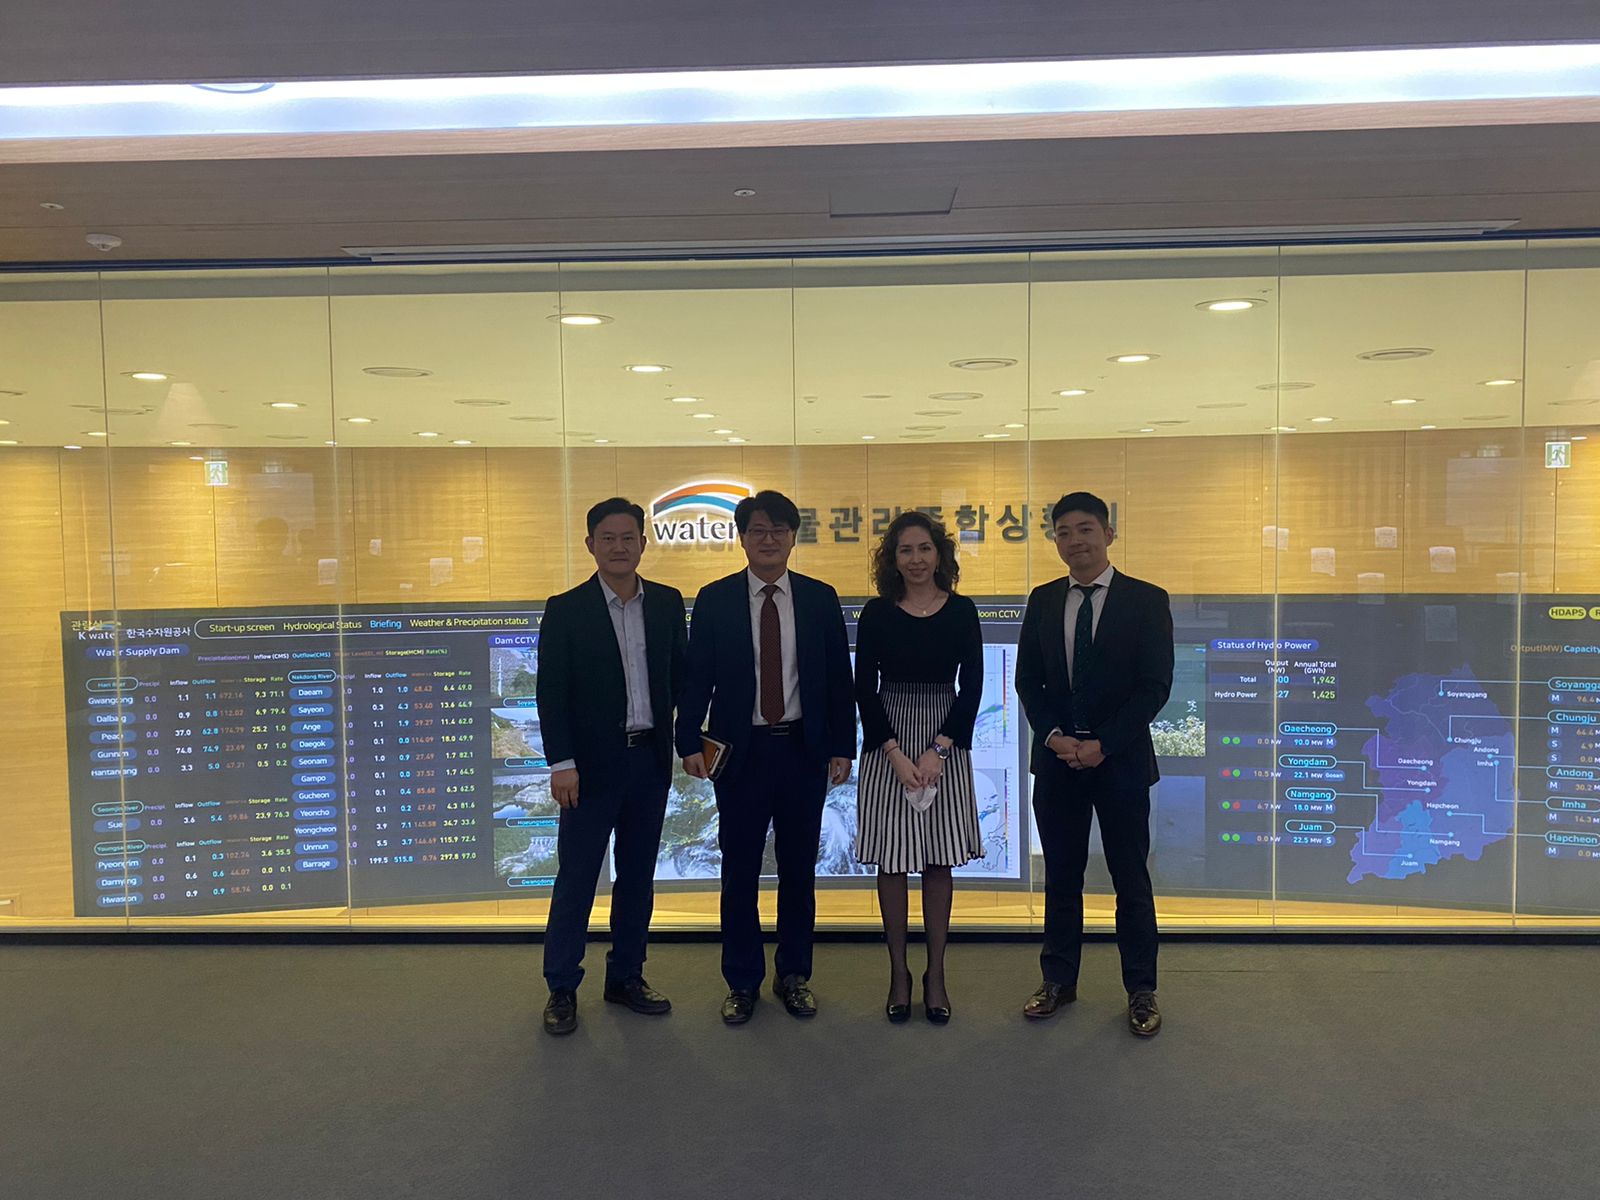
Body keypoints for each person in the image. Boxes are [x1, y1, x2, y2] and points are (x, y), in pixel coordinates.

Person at [676, 489, 856, 1025]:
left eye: (779, 530)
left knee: (799, 871)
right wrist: (687, 741)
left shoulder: (819, 598)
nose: (769, 539)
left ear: (793, 537)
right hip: (742, 756)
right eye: (758, 530)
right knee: (740, 871)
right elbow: (697, 678)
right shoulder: (715, 599)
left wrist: (842, 746)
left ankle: (794, 975)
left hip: (802, 751)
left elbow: (838, 679)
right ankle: (742, 981)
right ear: (742, 538)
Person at [1015, 491, 1174, 1037]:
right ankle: (1058, 980)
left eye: (1085, 529)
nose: (1074, 540)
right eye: (1063, 532)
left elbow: (1155, 686)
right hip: (1057, 761)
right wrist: (1055, 738)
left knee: (1131, 879)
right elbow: (1028, 681)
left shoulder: (1146, 600)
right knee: (1062, 876)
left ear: (1108, 534)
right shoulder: (1042, 600)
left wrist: (1103, 743)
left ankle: (1141, 990)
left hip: (1120, 761)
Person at [536, 497, 687, 1036]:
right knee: (577, 878)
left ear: (643, 544)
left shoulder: (666, 603)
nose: (619, 547)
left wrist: (690, 741)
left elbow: (681, 678)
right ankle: (561, 986)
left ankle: (626, 976)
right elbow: (551, 693)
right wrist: (562, 763)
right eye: (608, 538)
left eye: (628, 538)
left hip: (648, 761)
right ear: (590, 545)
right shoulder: (566, 608)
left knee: (637, 878)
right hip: (589, 770)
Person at [853, 512, 984, 1025]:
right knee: (891, 861)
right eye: (905, 550)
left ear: (939, 554)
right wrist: (894, 751)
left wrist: (939, 749)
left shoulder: (962, 610)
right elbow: (864, 687)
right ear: (892, 558)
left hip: (943, 736)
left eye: (924, 548)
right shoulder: (876, 612)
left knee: (937, 860)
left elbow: (972, 686)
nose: (916, 559)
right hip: (888, 738)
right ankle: (898, 973)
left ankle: (936, 975)